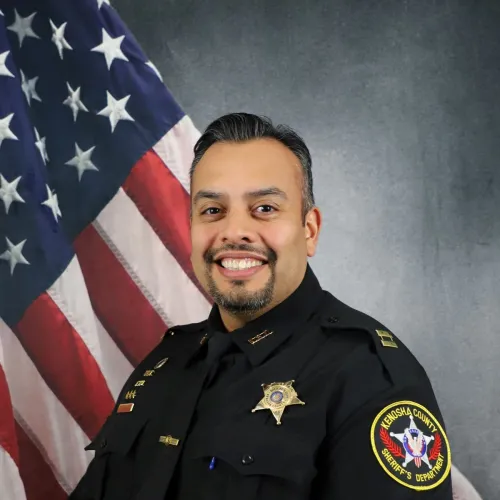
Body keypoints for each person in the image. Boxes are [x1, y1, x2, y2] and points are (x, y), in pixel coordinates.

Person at [70, 113, 453, 499]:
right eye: (212, 210)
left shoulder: (368, 377)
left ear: (309, 230)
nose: (234, 231)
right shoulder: (164, 364)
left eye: (265, 208)